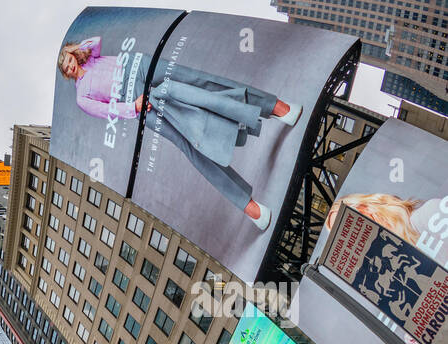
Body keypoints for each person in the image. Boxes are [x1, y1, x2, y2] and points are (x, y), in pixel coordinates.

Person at [59, 36, 298, 230]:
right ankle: (248, 205)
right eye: (65, 66)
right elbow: (106, 110)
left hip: (141, 66)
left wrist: (76, 49)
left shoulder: (90, 58)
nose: (70, 65)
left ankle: (276, 108)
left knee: (203, 83)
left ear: (71, 55)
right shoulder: (82, 96)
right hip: (138, 101)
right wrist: (133, 107)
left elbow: (96, 41)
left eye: (68, 59)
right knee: (188, 143)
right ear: (66, 74)